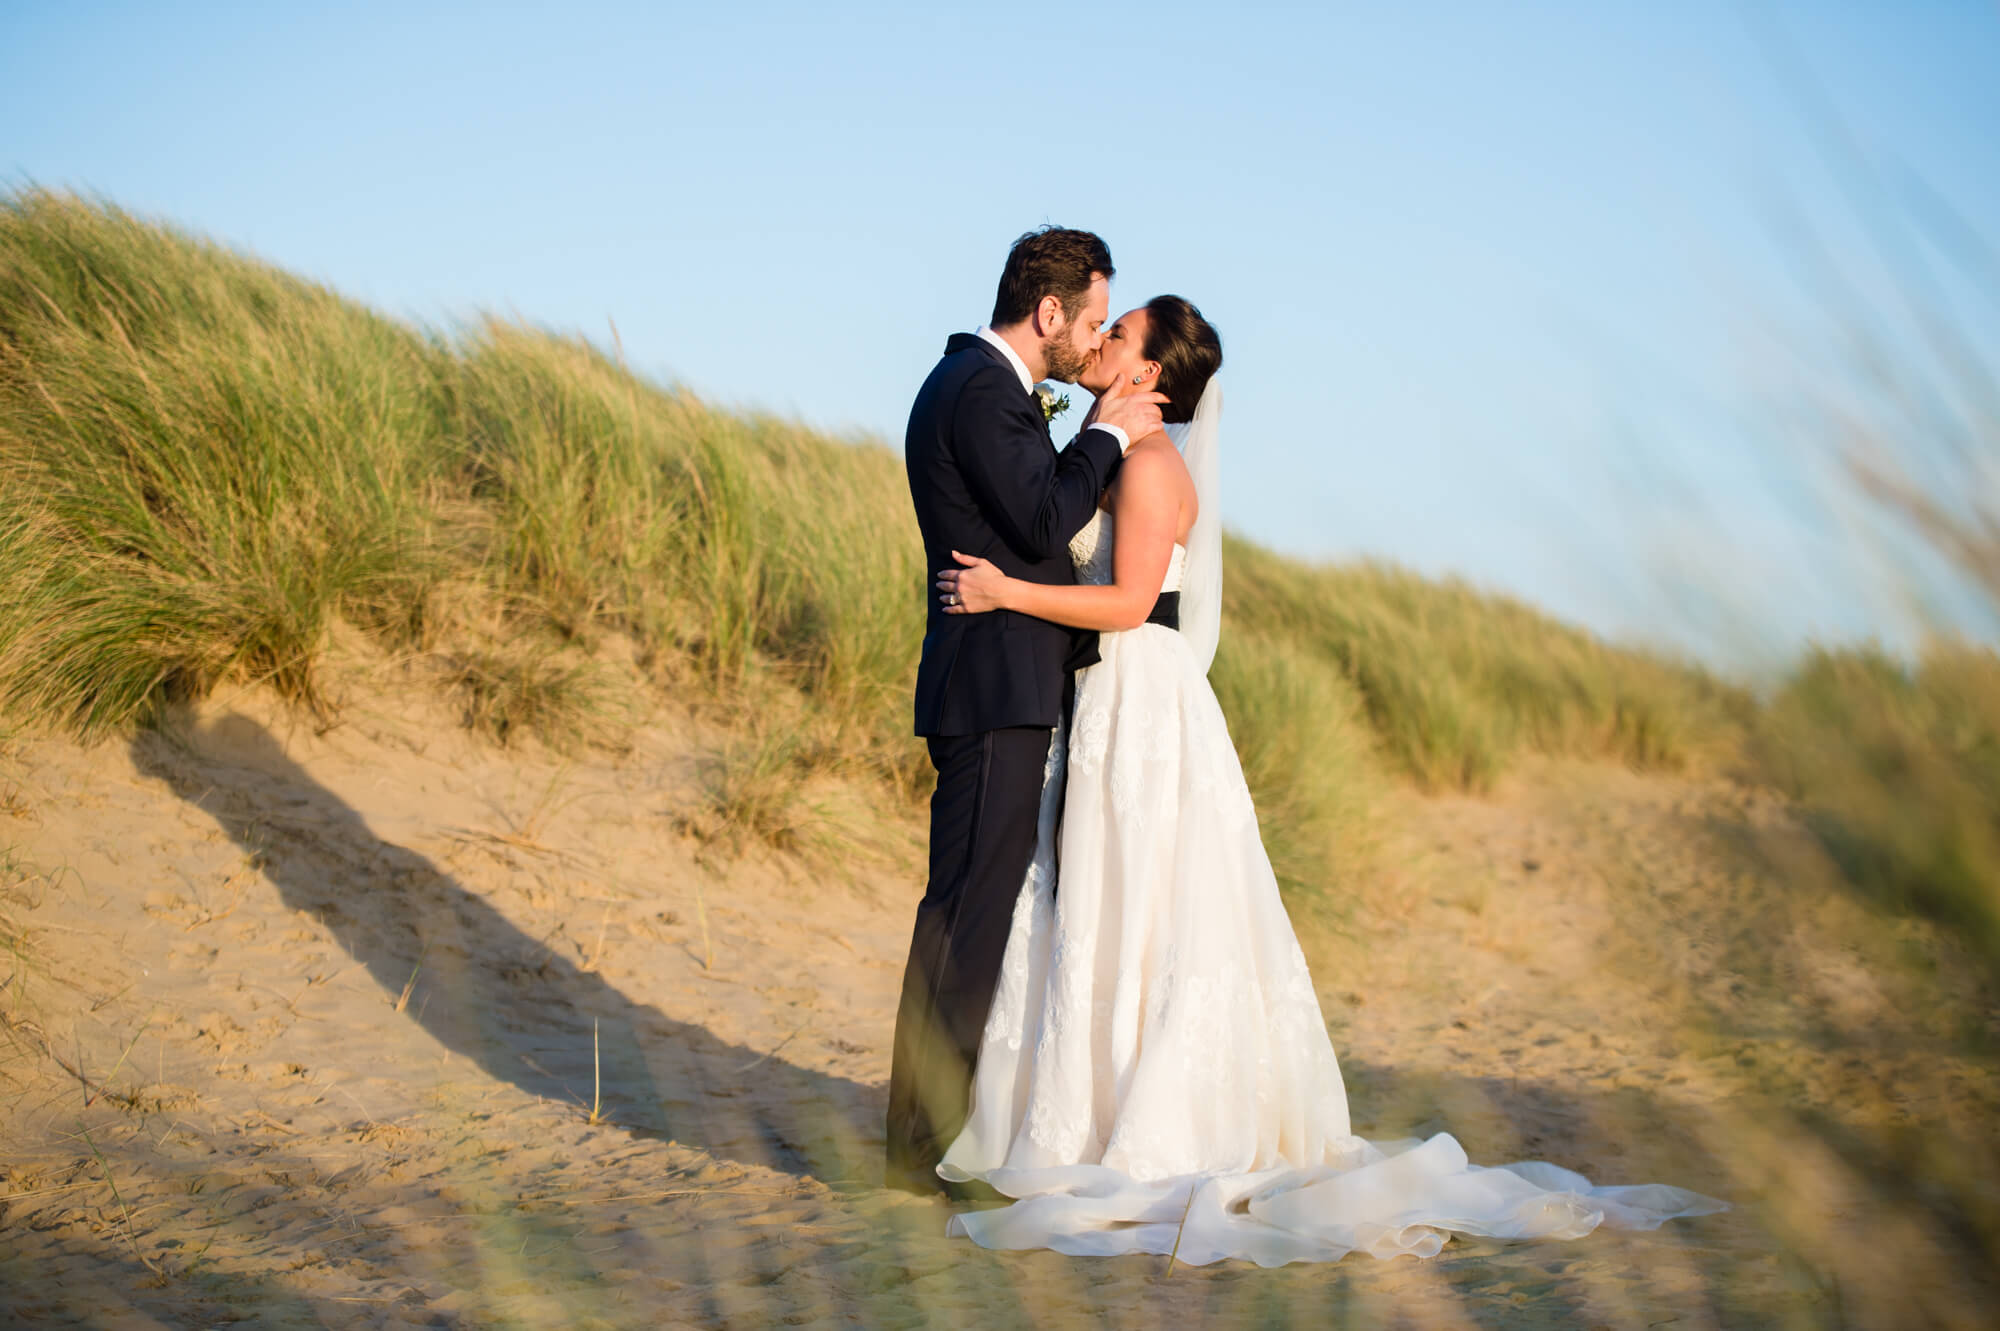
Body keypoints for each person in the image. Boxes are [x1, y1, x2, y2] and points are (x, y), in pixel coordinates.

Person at [930, 296, 1725, 1264]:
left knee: (1136, 895)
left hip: (1139, 694)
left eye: (1117, 332)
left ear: (1148, 375)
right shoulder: (1115, 454)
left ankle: (1137, 1117)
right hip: (1110, 697)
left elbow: (1132, 600)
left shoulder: (1146, 463)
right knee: (1109, 901)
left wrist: (1006, 590)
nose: (1096, 341)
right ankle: (1088, 1101)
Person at [888, 227, 1168, 1197]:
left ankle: (918, 1135)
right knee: (966, 917)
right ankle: (918, 1149)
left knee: (961, 912)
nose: (1092, 340)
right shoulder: (978, 390)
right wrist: (1110, 435)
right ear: (1047, 313)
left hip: (995, 682)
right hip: (991, 683)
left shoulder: (979, 388)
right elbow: (1044, 519)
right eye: (1090, 319)